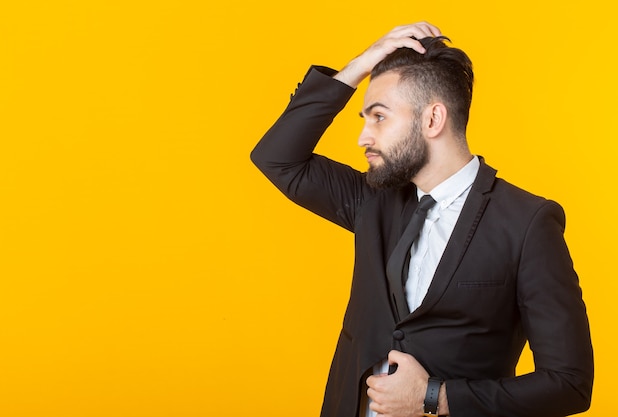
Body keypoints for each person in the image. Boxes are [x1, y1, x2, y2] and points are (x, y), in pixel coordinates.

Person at [250, 22, 593, 417]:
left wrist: (436, 397)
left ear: (432, 120)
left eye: (379, 117)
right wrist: (359, 66)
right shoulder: (373, 200)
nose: (363, 137)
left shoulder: (527, 223)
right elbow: (277, 158)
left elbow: (569, 383)